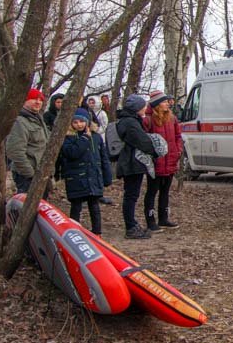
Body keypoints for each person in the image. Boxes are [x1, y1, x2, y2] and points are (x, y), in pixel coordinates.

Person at [59, 107, 113, 234]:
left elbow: (103, 158)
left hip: (94, 176)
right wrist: (84, 139)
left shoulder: (96, 137)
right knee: (76, 206)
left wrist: (107, 176)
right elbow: (72, 153)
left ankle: (97, 232)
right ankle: (73, 232)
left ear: (88, 122)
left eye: (82, 122)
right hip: (76, 178)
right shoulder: (68, 138)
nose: (79, 125)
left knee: (94, 206)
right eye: (75, 122)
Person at [114, 94, 158, 239]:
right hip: (131, 164)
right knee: (131, 195)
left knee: (131, 195)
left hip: (131, 163)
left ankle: (132, 224)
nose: (145, 108)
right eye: (143, 106)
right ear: (137, 108)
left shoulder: (128, 120)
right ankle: (131, 227)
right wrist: (155, 149)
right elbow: (142, 141)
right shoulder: (131, 123)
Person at [143, 90, 182, 230]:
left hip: (170, 160)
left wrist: (178, 151)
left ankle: (163, 218)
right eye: (164, 102)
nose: (167, 104)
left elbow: (178, 136)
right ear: (157, 104)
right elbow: (145, 140)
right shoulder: (148, 119)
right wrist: (152, 156)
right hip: (156, 163)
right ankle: (150, 221)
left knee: (165, 191)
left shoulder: (172, 118)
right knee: (152, 191)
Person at [6, 88, 49, 194]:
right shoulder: (20, 121)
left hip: (40, 173)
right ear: (25, 101)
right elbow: (14, 151)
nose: (38, 102)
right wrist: (30, 174)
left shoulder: (38, 119)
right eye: (34, 99)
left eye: (40, 100)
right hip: (27, 177)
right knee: (28, 209)